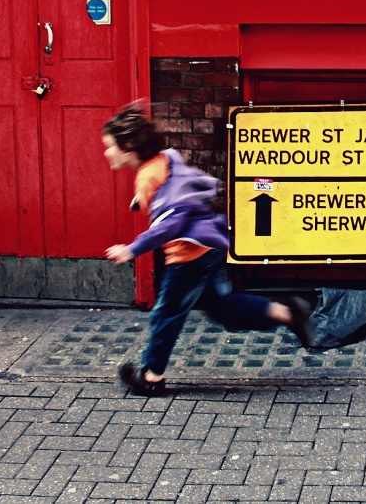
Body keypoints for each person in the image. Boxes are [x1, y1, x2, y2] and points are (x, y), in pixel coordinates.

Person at [102, 102, 311, 396]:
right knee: (220, 308)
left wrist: (133, 249)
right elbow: (175, 182)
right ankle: (283, 311)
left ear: (129, 147)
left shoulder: (147, 177)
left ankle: (151, 376)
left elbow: (169, 225)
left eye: (110, 146)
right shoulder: (166, 158)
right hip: (208, 247)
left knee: (166, 314)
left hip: (187, 257)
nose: (106, 152)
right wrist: (142, 198)